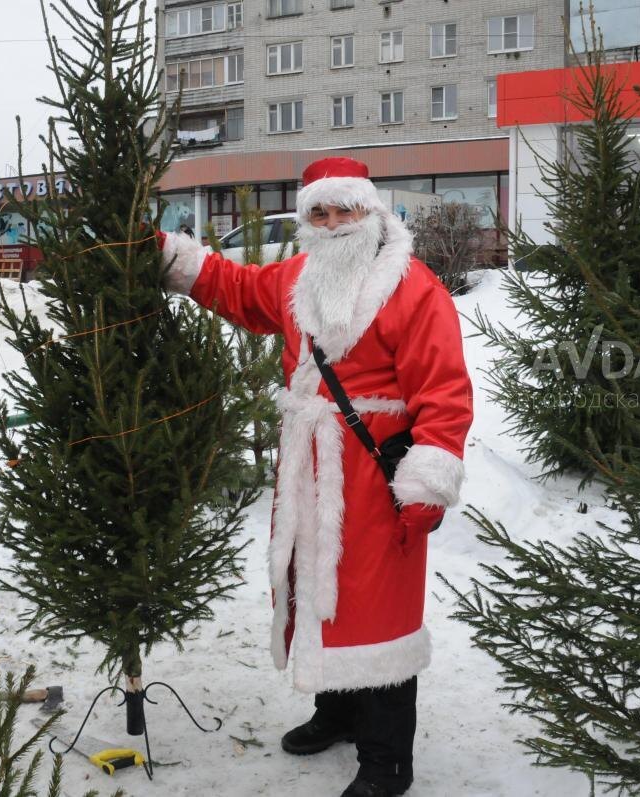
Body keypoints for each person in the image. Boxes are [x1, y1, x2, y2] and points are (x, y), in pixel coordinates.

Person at [158, 157, 473, 797]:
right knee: (316, 589)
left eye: (344, 210)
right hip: (310, 465)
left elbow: (443, 389)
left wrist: (429, 475)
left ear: (370, 211)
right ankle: (338, 711)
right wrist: (163, 253)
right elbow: (236, 288)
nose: (332, 224)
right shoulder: (295, 277)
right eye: (319, 213)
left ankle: (387, 762)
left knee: (376, 608)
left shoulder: (415, 288)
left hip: (376, 473)